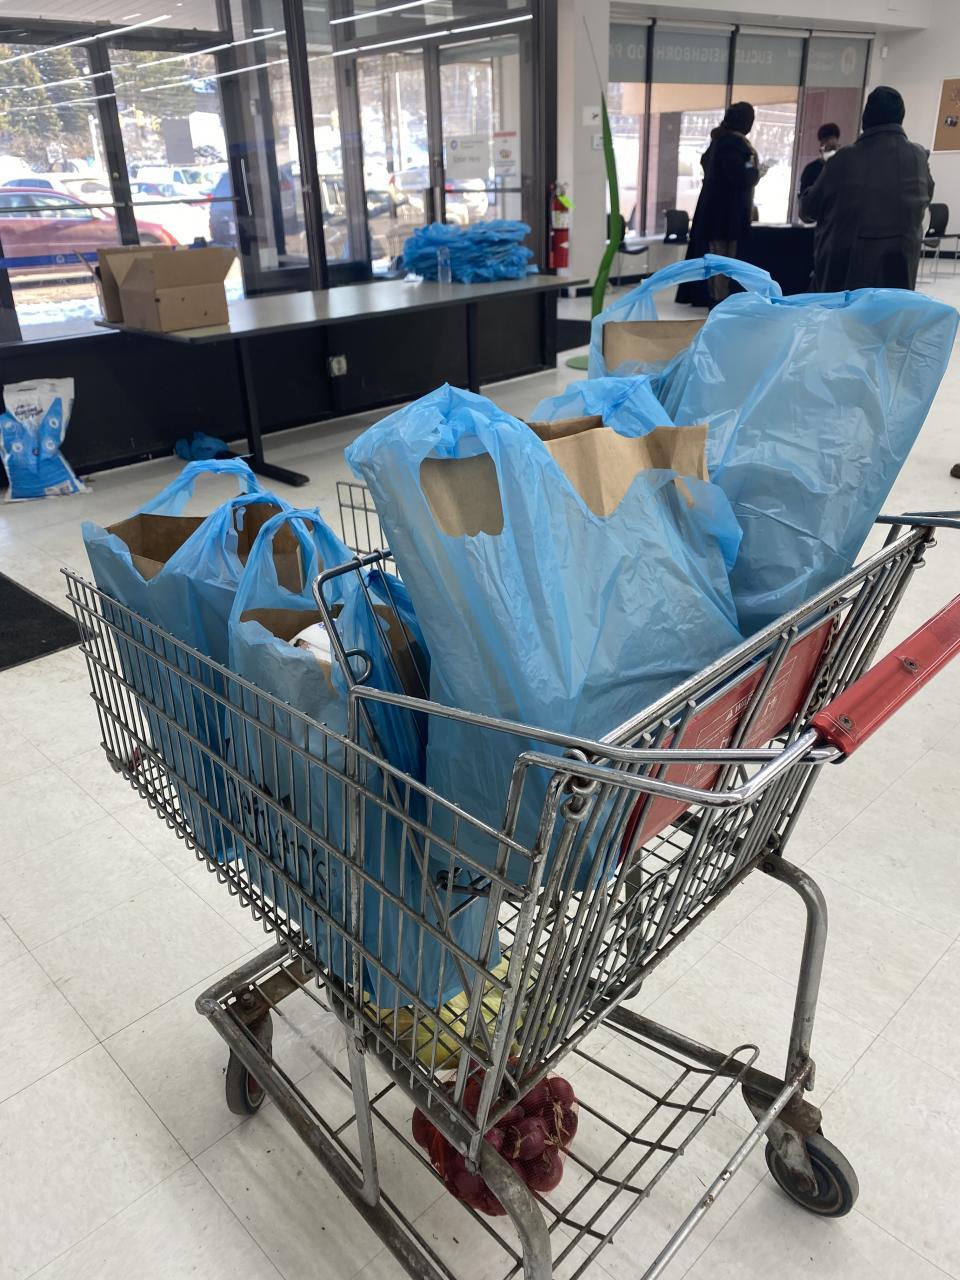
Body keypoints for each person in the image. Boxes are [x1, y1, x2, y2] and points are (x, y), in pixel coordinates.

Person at [800, 86, 933, 291]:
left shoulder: (844, 159)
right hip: (900, 279)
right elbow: (927, 196)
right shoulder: (919, 158)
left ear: (865, 119)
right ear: (901, 118)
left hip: (845, 281)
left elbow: (808, 209)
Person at [685, 101, 762, 303]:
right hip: (727, 216)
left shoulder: (719, 142)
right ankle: (720, 300)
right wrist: (756, 172)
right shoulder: (733, 145)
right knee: (724, 261)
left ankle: (718, 298)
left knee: (720, 259)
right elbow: (741, 177)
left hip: (717, 215)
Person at [798, 122, 840, 200]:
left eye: (833, 148)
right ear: (821, 148)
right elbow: (804, 200)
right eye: (828, 148)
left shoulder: (842, 170)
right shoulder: (811, 170)